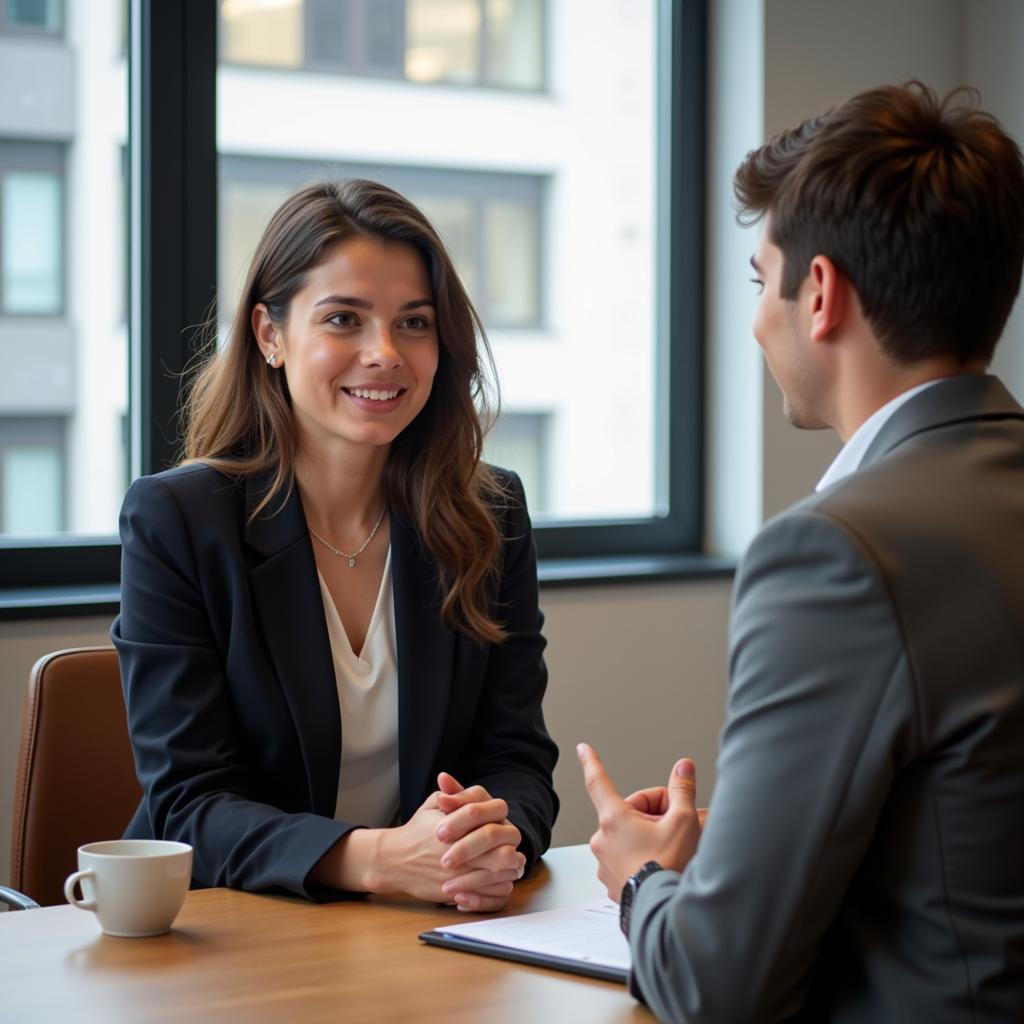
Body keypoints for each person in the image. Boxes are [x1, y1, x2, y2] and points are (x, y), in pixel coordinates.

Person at [578, 81, 1024, 1021]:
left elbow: (719, 986)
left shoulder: (836, 553)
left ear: (818, 293)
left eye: (758, 279)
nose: (755, 318)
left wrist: (639, 882)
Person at [112, 178, 558, 910]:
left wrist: (485, 838)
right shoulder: (179, 520)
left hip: (424, 927)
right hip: (237, 927)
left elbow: (517, 758)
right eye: (345, 319)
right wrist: (377, 858)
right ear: (270, 335)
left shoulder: (489, 512)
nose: (384, 353)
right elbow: (189, 803)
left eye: (414, 324)